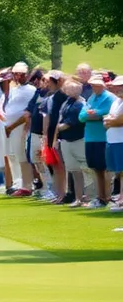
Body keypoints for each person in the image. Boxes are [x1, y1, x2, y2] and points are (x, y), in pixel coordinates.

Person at [79, 73, 115, 208]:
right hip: (90, 137)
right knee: (96, 168)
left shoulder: (110, 98)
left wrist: (95, 113)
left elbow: (107, 114)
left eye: (96, 85)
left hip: (103, 137)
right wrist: (94, 114)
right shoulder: (91, 97)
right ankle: (100, 197)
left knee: (105, 169)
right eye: (92, 85)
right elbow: (82, 116)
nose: (94, 87)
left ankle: (107, 197)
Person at [0, 62, 35, 195]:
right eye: (15, 74)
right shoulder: (14, 89)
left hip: (21, 127)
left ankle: (27, 184)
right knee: (13, 156)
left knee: (22, 156)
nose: (17, 76)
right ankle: (19, 183)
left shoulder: (31, 90)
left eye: (20, 74)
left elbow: (28, 112)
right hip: (10, 128)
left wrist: (12, 126)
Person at [56, 78, 89, 207]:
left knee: (86, 169)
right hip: (66, 140)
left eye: (72, 88)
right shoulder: (66, 102)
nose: (69, 91)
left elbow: (71, 122)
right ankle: (78, 198)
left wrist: (57, 128)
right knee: (74, 170)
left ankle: (88, 197)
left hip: (78, 139)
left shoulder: (80, 103)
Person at [41, 72, 69, 203]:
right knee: (56, 166)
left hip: (60, 134)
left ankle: (64, 193)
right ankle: (59, 193)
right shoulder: (51, 96)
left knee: (61, 166)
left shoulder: (62, 96)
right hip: (52, 133)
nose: (47, 84)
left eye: (50, 81)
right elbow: (47, 117)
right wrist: (45, 134)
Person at [24, 69, 49, 198]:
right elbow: (29, 109)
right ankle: (44, 186)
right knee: (36, 160)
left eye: (41, 80)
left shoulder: (51, 94)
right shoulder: (38, 93)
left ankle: (50, 188)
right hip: (34, 132)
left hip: (43, 133)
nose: (38, 83)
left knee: (45, 161)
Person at [103, 75, 123, 211]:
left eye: (120, 86)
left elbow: (117, 121)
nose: (117, 89)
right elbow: (108, 120)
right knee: (120, 172)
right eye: (116, 86)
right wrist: (110, 121)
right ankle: (121, 198)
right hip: (113, 140)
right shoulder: (116, 101)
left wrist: (111, 121)